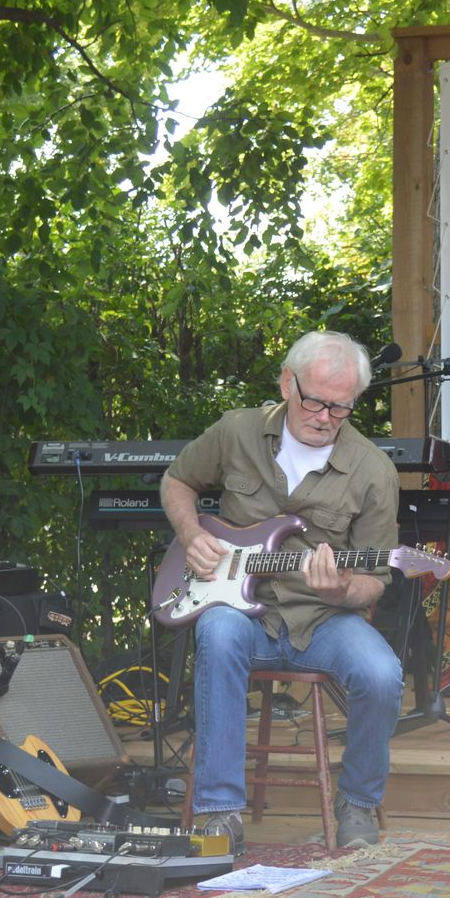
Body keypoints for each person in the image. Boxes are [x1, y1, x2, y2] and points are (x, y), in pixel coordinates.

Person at [161, 330, 403, 852]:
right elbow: (178, 480)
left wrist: (342, 589)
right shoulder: (237, 431)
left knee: (382, 674)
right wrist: (191, 533)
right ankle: (219, 813)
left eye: (341, 407)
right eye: (315, 401)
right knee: (218, 633)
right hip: (240, 612)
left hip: (324, 619)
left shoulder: (373, 471)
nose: (326, 417)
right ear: (287, 384)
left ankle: (357, 802)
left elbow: (374, 580)